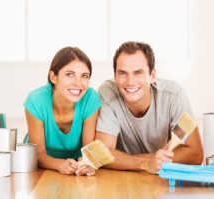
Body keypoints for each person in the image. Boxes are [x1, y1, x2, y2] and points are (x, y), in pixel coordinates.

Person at [95, 41, 203, 174]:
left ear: (152, 76)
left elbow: (195, 154)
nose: (130, 82)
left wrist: (127, 160)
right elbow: (102, 153)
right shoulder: (107, 93)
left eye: (138, 73)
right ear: (115, 76)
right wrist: (146, 163)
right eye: (122, 73)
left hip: (161, 179)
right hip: (124, 178)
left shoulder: (174, 96)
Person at [23, 47, 101, 176]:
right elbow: (38, 154)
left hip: (75, 168)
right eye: (70, 74)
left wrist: (89, 163)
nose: (78, 83)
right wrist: (59, 164)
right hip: (41, 167)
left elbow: (89, 150)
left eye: (84, 76)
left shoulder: (90, 98)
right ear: (53, 77)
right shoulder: (36, 100)